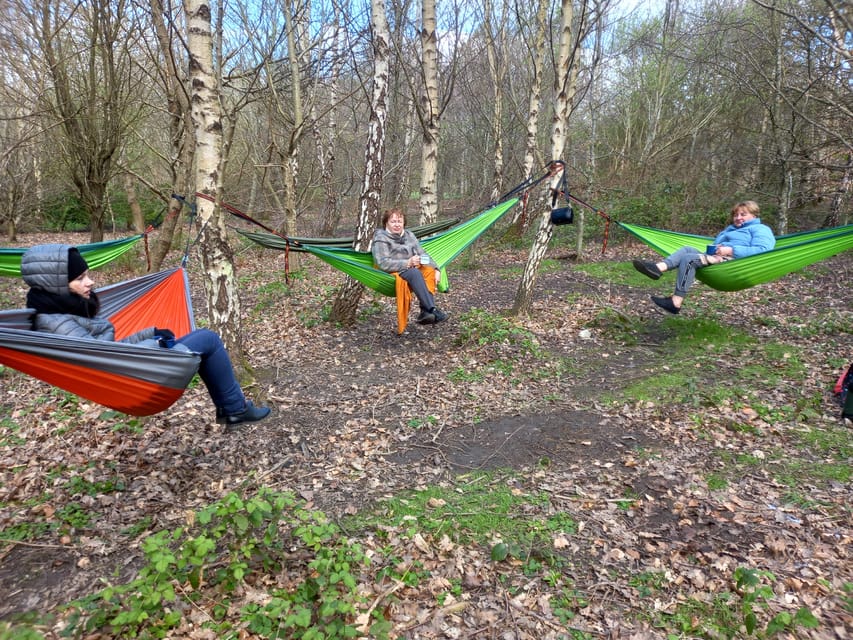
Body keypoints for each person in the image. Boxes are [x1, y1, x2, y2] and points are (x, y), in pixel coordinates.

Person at [20, 244, 271, 426]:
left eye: (87, 275)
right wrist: (155, 344)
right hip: (133, 380)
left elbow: (106, 350)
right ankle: (235, 409)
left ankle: (234, 409)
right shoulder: (58, 323)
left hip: (132, 370)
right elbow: (106, 360)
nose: (91, 282)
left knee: (203, 339)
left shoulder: (58, 313)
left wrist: (149, 334)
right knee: (207, 339)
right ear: (56, 285)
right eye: (80, 278)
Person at [632, 200, 776, 314]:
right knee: (687, 249)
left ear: (754, 215)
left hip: (735, 264)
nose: (738, 218)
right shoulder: (730, 229)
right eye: (736, 215)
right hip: (718, 259)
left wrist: (731, 250)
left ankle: (676, 302)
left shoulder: (761, 229)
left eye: (743, 214)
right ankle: (657, 268)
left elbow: (763, 250)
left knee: (689, 259)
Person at [372, 208, 448, 325]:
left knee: (428, 270)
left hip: (412, 269)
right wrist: (408, 262)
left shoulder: (409, 235)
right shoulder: (381, 238)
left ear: (404, 223)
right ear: (386, 223)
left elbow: (423, 254)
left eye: (399, 221)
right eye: (393, 222)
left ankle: (425, 311)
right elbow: (382, 263)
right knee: (414, 272)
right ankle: (432, 309)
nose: (397, 224)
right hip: (393, 272)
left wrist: (436, 269)